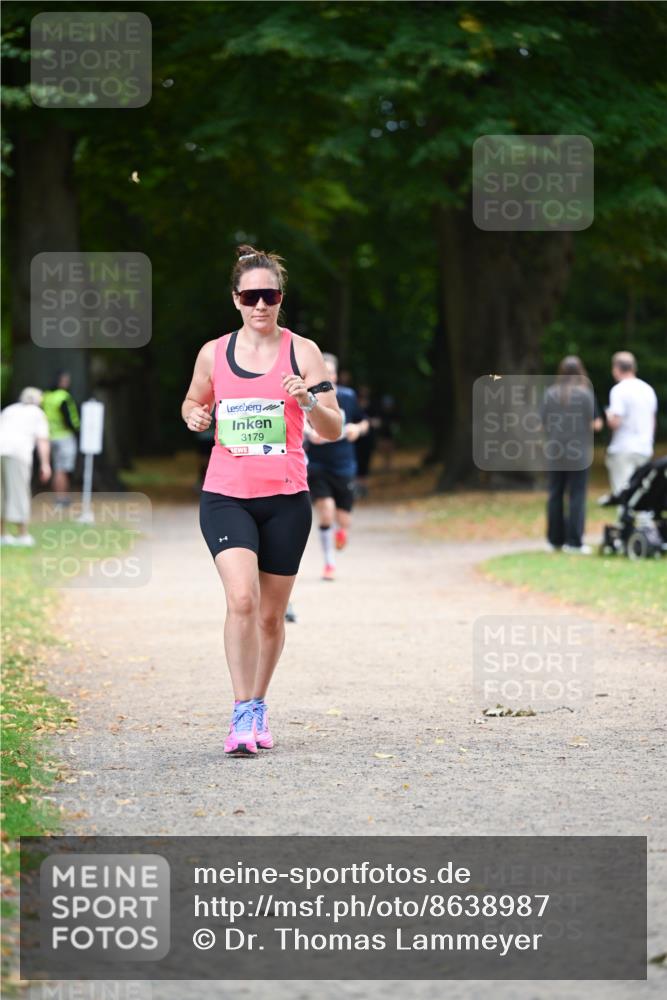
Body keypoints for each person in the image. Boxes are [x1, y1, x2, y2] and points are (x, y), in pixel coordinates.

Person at [181, 245, 342, 757]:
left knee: (272, 617)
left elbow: (334, 428)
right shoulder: (213, 352)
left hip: (287, 499)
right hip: (226, 494)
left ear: (280, 298)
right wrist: (194, 416)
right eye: (250, 296)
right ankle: (239, 712)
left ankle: (258, 705)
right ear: (236, 299)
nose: (260, 304)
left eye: (269, 295)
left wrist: (308, 401)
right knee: (242, 600)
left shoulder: (304, 351)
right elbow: (193, 400)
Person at [305, 354, 369, 581]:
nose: (328, 377)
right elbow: (298, 422)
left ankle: (341, 533)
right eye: (324, 372)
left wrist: (356, 430)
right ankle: (329, 563)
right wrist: (309, 434)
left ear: (336, 375)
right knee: (326, 511)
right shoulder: (307, 396)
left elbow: (364, 421)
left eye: (331, 372)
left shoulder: (347, 396)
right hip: (318, 464)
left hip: (344, 465)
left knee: (344, 520)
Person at [541, 356, 603, 555]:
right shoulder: (585, 394)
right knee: (577, 495)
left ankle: (554, 540)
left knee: (555, 494)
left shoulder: (550, 394)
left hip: (555, 450)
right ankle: (574, 542)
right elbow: (596, 424)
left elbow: (541, 423)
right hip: (579, 452)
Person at [0, 387, 51, 546]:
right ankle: (23, 535)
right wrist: (45, 464)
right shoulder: (37, 413)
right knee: (20, 491)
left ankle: (2, 535)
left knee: (2, 493)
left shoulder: (9, 409)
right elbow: (42, 441)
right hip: (18, 453)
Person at [605, 351, 658, 495]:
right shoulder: (648, 390)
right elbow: (652, 421)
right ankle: (644, 517)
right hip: (644, 447)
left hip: (623, 448)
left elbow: (615, 423)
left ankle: (624, 517)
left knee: (624, 492)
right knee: (642, 492)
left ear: (616, 368)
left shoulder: (618, 390)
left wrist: (609, 416)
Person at [42, 371, 80, 503]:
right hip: (64, 436)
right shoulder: (63, 396)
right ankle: (62, 497)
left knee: (58, 467)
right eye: (65, 380)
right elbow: (68, 419)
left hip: (51, 437)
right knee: (62, 469)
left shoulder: (46, 396)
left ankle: (59, 496)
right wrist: (77, 430)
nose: (67, 383)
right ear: (60, 381)